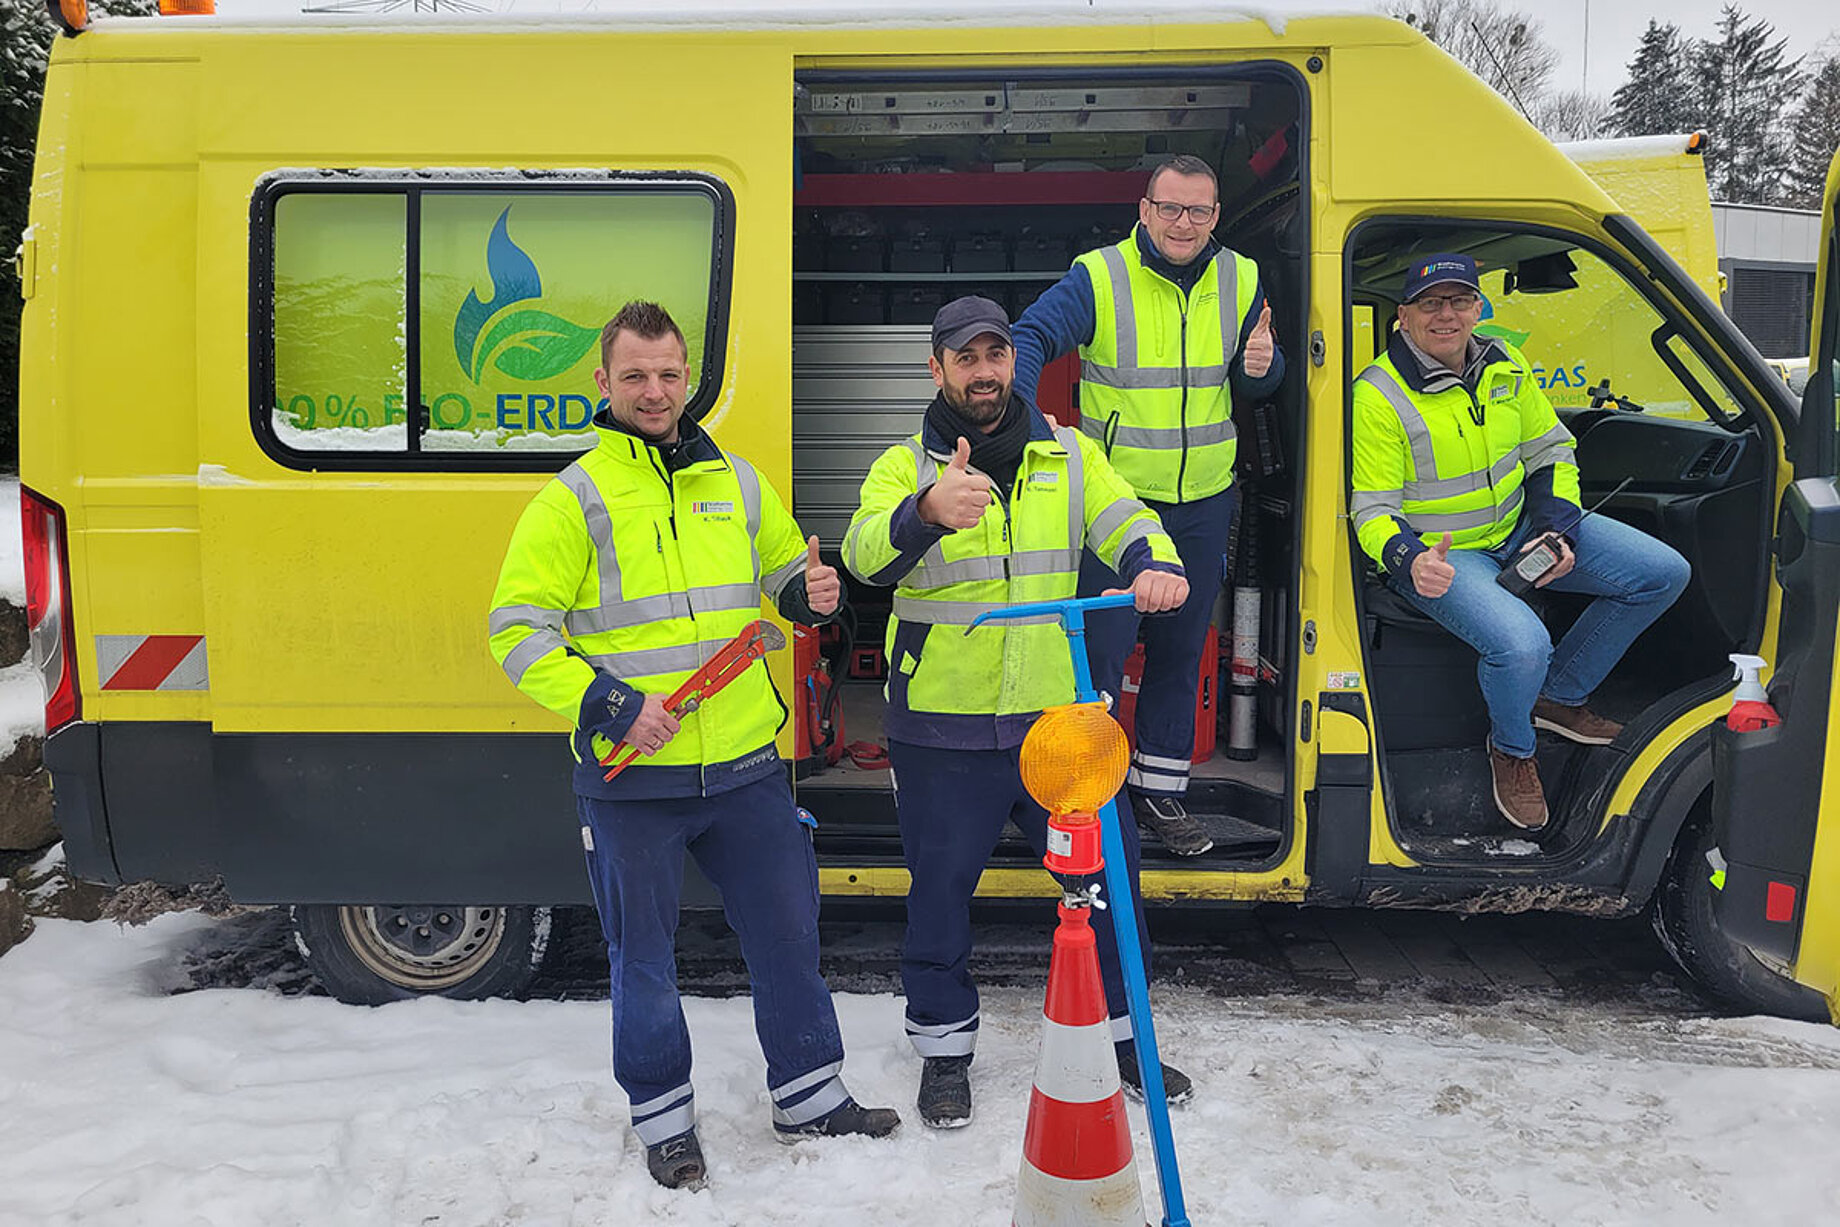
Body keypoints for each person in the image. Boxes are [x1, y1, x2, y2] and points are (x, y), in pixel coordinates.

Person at [487, 301, 897, 1192]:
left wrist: (812, 592)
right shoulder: (575, 498)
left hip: (746, 766)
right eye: (634, 375)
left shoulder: (738, 483)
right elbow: (514, 630)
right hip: (634, 777)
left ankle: (810, 1092)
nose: (654, 391)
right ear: (602, 382)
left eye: (668, 374)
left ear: (688, 379)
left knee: (788, 932)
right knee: (643, 955)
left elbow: (785, 575)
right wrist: (608, 704)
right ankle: (665, 1121)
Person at [843, 296, 1193, 1130]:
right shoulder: (903, 465)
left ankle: (1120, 1040)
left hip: (1055, 729)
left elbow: (1128, 518)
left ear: (1013, 362)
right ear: (937, 369)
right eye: (966, 357)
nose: (984, 370)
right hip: (940, 726)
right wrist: (926, 512)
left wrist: (1155, 562)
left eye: (995, 353)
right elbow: (862, 558)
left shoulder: (1069, 454)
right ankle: (944, 1055)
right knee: (939, 894)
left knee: (1105, 882)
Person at [1349, 255, 1691, 830]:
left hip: (1520, 531)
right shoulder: (1377, 394)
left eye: (1459, 301)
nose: (1447, 315)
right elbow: (1373, 511)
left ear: (1478, 309)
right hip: (1446, 555)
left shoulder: (1504, 361)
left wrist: (1555, 527)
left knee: (1663, 573)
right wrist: (1406, 560)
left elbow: (1551, 451)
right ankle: (1513, 748)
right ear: (1402, 318)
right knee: (1523, 644)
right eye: (1430, 303)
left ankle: (1557, 696)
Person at [1013, 153, 1285, 858]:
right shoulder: (1099, 275)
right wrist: (1017, 424)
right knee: (1099, 652)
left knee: (1179, 649)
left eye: (1198, 210)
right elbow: (1029, 337)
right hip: (1117, 504)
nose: (1183, 222)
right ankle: (1084, 793)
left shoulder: (1245, 278)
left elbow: (1260, 378)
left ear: (1216, 216)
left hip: (1204, 500)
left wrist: (1265, 369)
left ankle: (1161, 795)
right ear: (1144, 209)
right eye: (1169, 207)